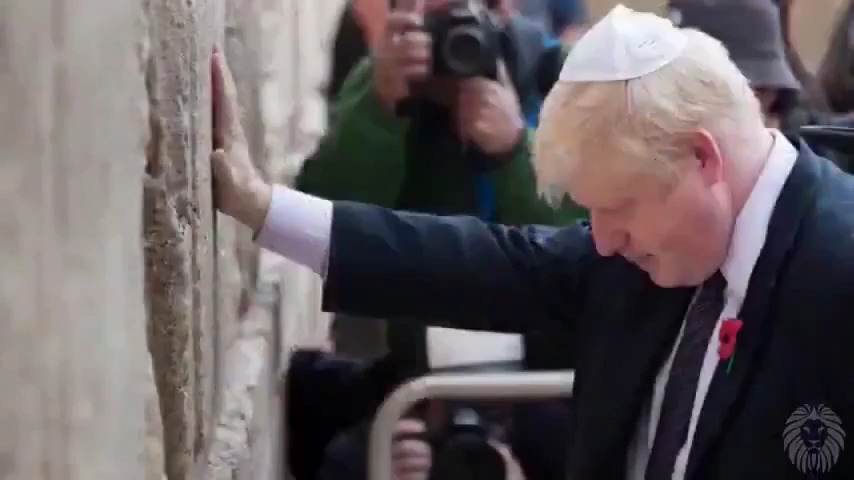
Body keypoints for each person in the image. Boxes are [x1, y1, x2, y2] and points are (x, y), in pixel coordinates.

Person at [211, 5, 854, 479]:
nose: (604, 240)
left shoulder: (836, 265)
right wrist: (261, 207)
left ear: (701, 158)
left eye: (617, 207)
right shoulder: (656, 248)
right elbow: (474, 263)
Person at [297, 0, 585, 224]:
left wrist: (515, 149)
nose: (455, 35)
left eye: (467, 13)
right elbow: (326, 223)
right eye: (438, 19)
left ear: (502, 8)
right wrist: (378, 111)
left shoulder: (553, 75)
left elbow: (586, 241)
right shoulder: (377, 79)